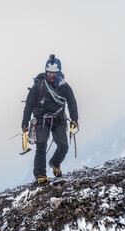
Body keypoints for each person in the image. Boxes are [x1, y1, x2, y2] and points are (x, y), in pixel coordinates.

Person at [21, 55, 78, 185]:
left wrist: (75, 119)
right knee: (41, 147)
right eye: (49, 72)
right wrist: (25, 122)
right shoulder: (38, 86)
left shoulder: (64, 87)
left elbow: (72, 102)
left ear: (58, 72)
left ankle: (55, 163)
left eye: (54, 73)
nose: (51, 75)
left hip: (59, 119)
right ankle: (40, 175)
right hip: (41, 120)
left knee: (63, 147)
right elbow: (29, 104)